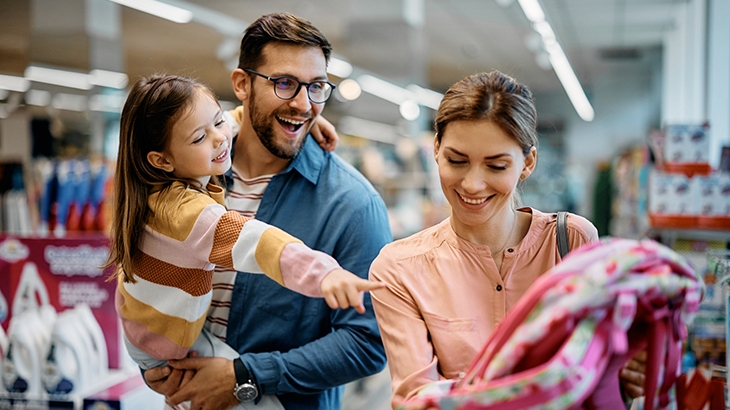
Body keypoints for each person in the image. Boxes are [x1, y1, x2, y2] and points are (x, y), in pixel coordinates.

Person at [143, 13, 392, 410]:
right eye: (285, 83)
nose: (303, 104)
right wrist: (152, 354)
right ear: (242, 84)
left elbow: (367, 344)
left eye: (316, 87)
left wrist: (246, 376)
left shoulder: (353, 205)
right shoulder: (189, 178)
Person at [368, 71, 644, 408]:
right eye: (457, 161)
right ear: (437, 149)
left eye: (496, 166)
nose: (472, 184)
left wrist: (622, 370)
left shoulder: (571, 242)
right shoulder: (399, 269)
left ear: (527, 163)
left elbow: (599, 366)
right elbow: (415, 399)